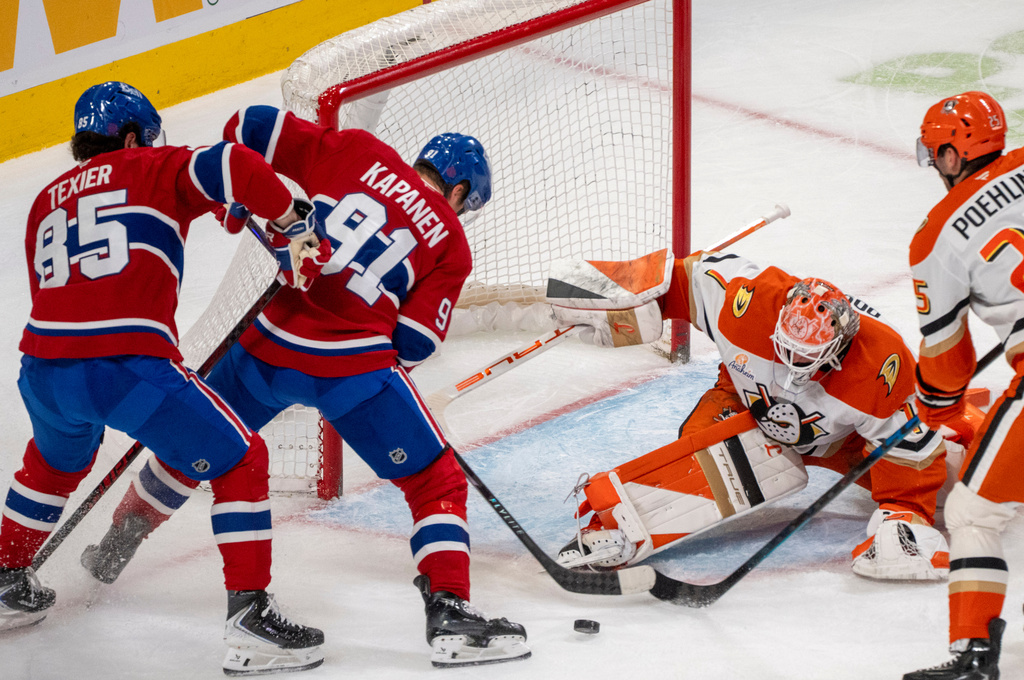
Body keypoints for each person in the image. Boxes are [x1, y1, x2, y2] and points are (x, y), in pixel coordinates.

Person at [80, 105, 531, 668]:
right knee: (432, 479)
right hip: (354, 366)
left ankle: (118, 541)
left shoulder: (360, 151)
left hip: (268, 343)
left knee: (200, 442)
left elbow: (246, 126)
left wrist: (245, 204)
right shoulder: (451, 246)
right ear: (459, 189)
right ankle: (449, 611)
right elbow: (415, 342)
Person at [0, 82, 327, 676]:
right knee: (242, 460)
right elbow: (233, 163)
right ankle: (251, 617)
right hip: (123, 365)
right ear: (131, 138)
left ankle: (3, 579)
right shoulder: (154, 163)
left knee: (52, 466)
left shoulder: (45, 198)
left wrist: (221, 206)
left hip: (42, 368)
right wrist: (289, 221)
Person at [548, 248, 967, 583]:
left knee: (962, 487)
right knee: (697, 458)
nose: (794, 362)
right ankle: (621, 520)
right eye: (787, 348)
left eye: (808, 356)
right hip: (744, 401)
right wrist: (614, 285)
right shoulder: (745, 304)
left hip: (847, 442)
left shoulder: (881, 366)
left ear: (839, 348)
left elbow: (907, 449)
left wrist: (903, 510)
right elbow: (685, 278)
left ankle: (978, 431)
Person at [902, 91, 1022, 679]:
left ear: (953, 153)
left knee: (973, 510)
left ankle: (975, 653)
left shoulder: (937, 236)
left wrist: (933, 403)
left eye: (935, 153)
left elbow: (948, 362)